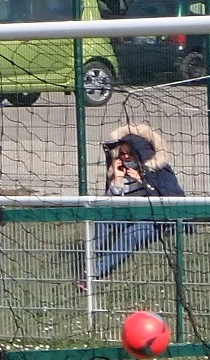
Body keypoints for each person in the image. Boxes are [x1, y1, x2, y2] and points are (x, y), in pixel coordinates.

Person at [79, 122, 185, 287]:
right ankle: (87, 261)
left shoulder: (158, 171)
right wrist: (117, 179)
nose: (126, 157)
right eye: (122, 153)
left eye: (130, 153)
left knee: (131, 235)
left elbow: (167, 201)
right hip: (125, 215)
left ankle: (95, 271)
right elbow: (111, 203)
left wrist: (143, 181)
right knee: (101, 223)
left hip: (151, 219)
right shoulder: (119, 170)